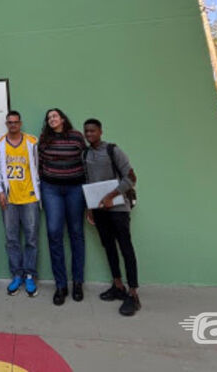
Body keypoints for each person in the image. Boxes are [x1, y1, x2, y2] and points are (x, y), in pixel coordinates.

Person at [83, 118, 141, 316]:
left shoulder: (113, 150)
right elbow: (89, 181)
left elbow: (131, 178)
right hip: (99, 210)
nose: (89, 134)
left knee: (125, 248)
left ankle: (133, 294)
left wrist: (111, 196)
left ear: (100, 131)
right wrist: (90, 207)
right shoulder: (86, 154)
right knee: (109, 247)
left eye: (92, 131)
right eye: (86, 131)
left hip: (118, 209)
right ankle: (118, 285)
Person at [38, 108, 87, 306]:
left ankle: (78, 283)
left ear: (63, 119)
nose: (52, 119)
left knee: (76, 233)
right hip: (51, 190)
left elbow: (86, 162)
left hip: (75, 189)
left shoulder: (77, 137)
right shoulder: (44, 139)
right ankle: (61, 285)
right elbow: (40, 165)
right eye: (49, 117)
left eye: (55, 116)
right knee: (54, 233)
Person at [0, 110, 40, 297]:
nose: (12, 125)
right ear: (6, 124)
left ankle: (29, 275)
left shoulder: (31, 142)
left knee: (31, 239)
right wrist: (0, 191)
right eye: (9, 122)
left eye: (15, 122)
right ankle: (17, 275)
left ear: (20, 123)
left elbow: (37, 168)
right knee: (11, 240)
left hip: (29, 197)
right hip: (9, 199)